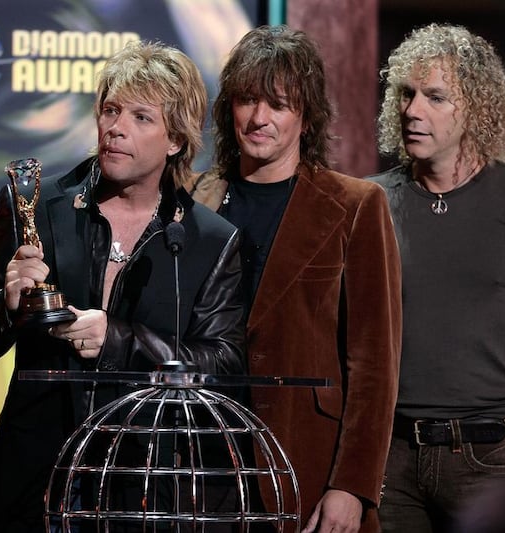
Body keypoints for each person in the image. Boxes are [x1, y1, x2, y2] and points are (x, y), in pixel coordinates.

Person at [0, 40, 246, 532]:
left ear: (175, 140)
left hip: (146, 484)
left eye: (140, 117)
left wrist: (119, 339)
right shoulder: (37, 210)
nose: (116, 127)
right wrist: (8, 303)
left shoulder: (210, 241)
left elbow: (225, 366)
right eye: (110, 110)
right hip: (36, 483)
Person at [184, 25, 402, 533]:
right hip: (204, 459)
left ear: (306, 117)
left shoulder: (354, 206)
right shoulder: (194, 200)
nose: (259, 119)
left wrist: (353, 486)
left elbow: (375, 365)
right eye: (248, 101)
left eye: (278, 104)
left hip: (304, 460)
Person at [367, 22, 505, 533]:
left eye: (435, 97)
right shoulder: (371, 202)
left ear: (474, 106)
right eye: (406, 94)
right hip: (392, 460)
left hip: (492, 457)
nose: (412, 110)